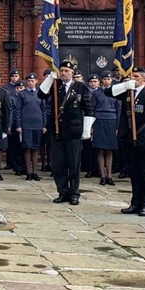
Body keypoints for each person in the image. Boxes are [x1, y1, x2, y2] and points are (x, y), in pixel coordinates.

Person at [37, 60, 95, 205]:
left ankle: (74, 193)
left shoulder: (80, 87)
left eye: (67, 71)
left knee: (74, 164)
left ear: (72, 73)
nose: (64, 73)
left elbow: (88, 108)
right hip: (57, 131)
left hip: (74, 131)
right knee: (58, 165)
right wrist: (50, 77)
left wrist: (87, 129)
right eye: (62, 70)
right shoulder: (55, 85)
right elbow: (41, 94)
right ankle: (62, 192)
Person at [109, 67, 145, 215]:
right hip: (129, 138)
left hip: (144, 137)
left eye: (136, 76)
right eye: (132, 76)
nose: (133, 78)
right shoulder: (127, 93)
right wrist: (125, 85)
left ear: (144, 80)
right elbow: (108, 92)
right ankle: (134, 202)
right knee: (134, 172)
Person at [15, 72, 49, 181]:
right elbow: (18, 110)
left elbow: (44, 110)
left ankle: (35, 171)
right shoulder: (22, 94)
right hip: (26, 125)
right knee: (27, 148)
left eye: (32, 81)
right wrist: (19, 125)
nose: (30, 83)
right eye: (29, 81)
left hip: (38, 124)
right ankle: (28, 172)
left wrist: (44, 125)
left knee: (35, 148)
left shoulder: (40, 93)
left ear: (36, 81)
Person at [91, 72, 120, 186]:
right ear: (101, 80)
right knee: (100, 149)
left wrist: (117, 127)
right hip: (99, 120)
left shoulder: (115, 92)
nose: (107, 81)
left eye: (109, 78)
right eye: (105, 79)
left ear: (111, 80)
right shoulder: (97, 93)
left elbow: (119, 110)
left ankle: (109, 175)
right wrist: (91, 126)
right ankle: (102, 175)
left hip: (112, 121)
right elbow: (92, 109)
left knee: (109, 150)